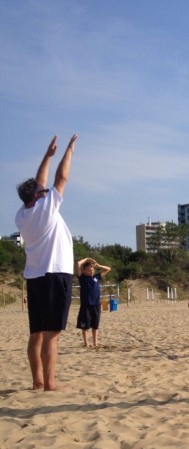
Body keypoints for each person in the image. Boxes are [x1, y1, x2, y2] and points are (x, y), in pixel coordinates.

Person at [15, 134, 78, 391]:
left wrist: (48, 155)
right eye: (43, 192)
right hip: (55, 274)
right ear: (38, 197)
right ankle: (50, 383)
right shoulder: (45, 208)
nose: (45, 191)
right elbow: (60, 179)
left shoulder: (22, 215)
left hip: (36, 277)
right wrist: (69, 151)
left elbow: (41, 184)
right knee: (53, 333)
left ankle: (37, 381)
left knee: (36, 332)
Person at [75, 257, 111, 347]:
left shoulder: (97, 277)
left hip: (96, 305)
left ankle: (95, 344)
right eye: (89, 268)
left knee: (95, 326)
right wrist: (86, 259)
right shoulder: (82, 278)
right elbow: (78, 264)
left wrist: (98, 265)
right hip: (86, 305)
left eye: (92, 268)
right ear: (84, 270)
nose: (91, 270)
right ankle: (86, 344)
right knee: (85, 326)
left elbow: (108, 269)